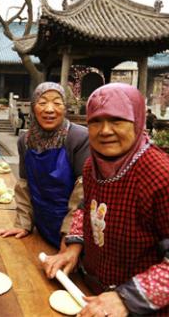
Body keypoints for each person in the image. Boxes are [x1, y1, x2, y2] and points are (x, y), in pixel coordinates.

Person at [42, 83, 169, 316]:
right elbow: (85, 207)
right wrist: (73, 247)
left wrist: (126, 298)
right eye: (95, 121)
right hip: (91, 294)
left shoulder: (160, 174)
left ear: (138, 121)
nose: (105, 131)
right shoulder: (92, 165)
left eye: (117, 120)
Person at [0, 82, 89, 250]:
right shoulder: (25, 141)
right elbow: (24, 185)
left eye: (57, 102)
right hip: (41, 228)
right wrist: (23, 224)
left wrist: (71, 237)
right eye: (42, 102)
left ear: (65, 107)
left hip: (72, 232)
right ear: (33, 107)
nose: (49, 109)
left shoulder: (79, 137)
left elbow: (82, 194)